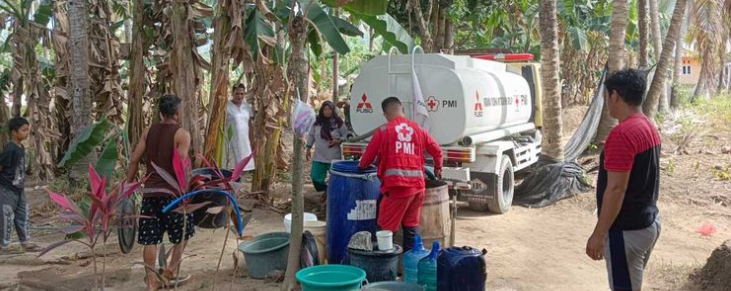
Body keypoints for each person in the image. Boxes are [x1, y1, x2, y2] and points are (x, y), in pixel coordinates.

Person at [585, 69, 662, 291]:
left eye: (607, 96)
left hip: (627, 232)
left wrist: (599, 234)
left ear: (615, 95)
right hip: (647, 221)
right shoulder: (647, 125)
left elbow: (616, 189)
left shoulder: (623, 134)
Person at [358, 97, 443, 252]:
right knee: (411, 227)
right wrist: (438, 167)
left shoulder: (384, 130)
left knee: (385, 230)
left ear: (385, 114)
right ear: (402, 109)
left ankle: (385, 270)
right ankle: (410, 267)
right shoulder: (419, 129)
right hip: (418, 189)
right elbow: (437, 150)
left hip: (397, 189)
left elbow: (366, 160)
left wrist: (362, 166)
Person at [127, 95, 193, 290]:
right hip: (173, 195)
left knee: (150, 238)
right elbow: (180, 166)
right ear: (177, 113)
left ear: (161, 113)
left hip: (150, 193)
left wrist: (128, 186)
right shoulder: (182, 135)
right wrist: (189, 188)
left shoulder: (149, 131)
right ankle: (171, 270)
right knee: (183, 232)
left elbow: (133, 159)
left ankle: (151, 279)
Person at [0, 117, 40, 255]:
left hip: (19, 189)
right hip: (7, 189)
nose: (27, 132)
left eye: (27, 129)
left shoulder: (21, 147)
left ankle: (25, 242)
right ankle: (4, 246)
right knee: (6, 216)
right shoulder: (9, 148)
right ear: (14, 132)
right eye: (24, 130)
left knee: (23, 215)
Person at [306, 101, 349, 200]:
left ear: (333, 110)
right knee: (315, 177)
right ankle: (326, 189)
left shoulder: (338, 122)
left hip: (333, 156)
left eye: (329, 109)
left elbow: (346, 135)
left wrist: (338, 141)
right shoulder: (317, 122)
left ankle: (333, 196)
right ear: (322, 110)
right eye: (325, 109)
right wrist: (308, 148)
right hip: (319, 156)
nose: (327, 112)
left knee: (335, 179)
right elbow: (312, 135)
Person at [224, 83, 255, 171]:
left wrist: (253, 141)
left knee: (244, 168)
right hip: (230, 141)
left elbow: (250, 125)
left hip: (244, 142)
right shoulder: (226, 106)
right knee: (231, 168)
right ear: (232, 94)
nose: (239, 96)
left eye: (242, 94)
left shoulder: (247, 107)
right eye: (237, 93)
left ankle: (240, 184)